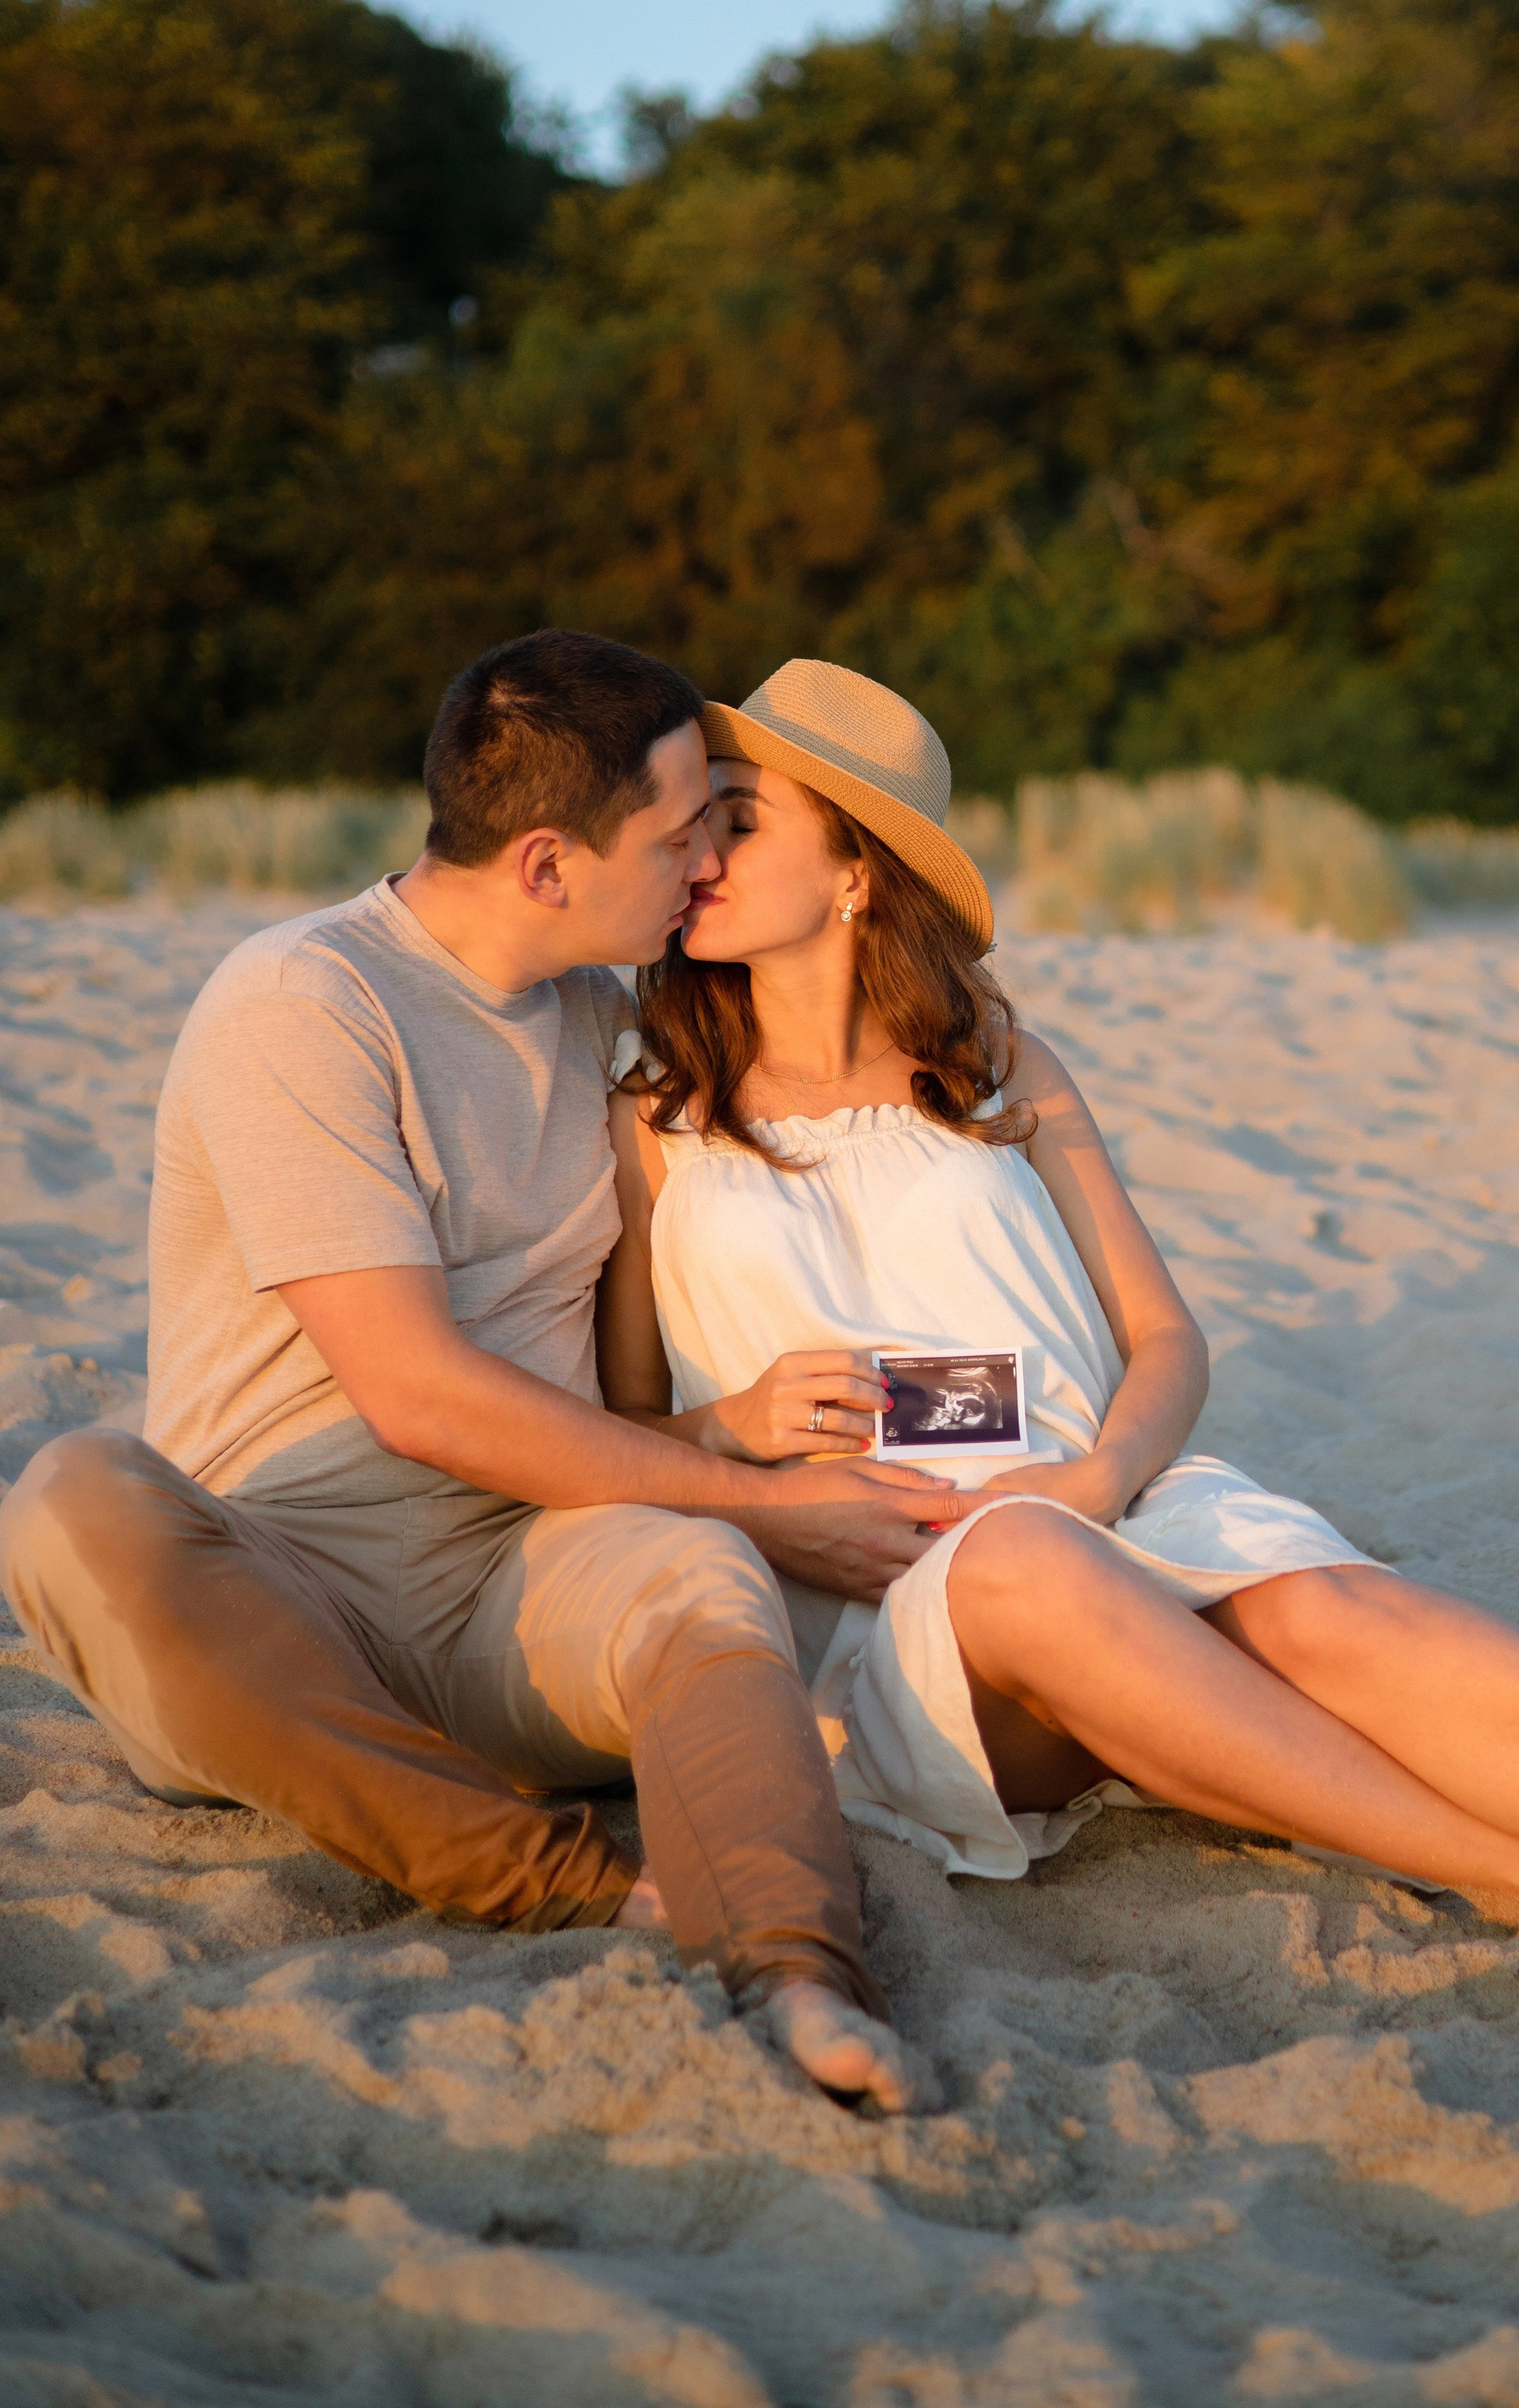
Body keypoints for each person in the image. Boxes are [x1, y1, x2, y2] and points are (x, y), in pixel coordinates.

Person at [599, 657, 1519, 2024]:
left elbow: (1162, 1332)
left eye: (735, 819)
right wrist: (732, 1436)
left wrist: (1105, 1476)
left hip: (1089, 1508)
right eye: (695, 824)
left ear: (859, 871)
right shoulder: (653, 1114)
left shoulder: (994, 1068)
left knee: (1328, 1609)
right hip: (882, 1613)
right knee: (1028, 1570)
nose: (697, 855)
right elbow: (600, 1441)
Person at [0, 631, 963, 2112]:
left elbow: (818, 1120)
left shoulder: (597, 1017)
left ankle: (798, 1972)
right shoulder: (305, 1005)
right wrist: (765, 1501)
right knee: (71, 1491)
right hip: (282, 1600)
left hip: (514, 1580)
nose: (707, 859)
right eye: (678, 831)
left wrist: (734, 1444)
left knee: (692, 1576)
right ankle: (555, 1880)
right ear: (544, 865)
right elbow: (420, 1397)